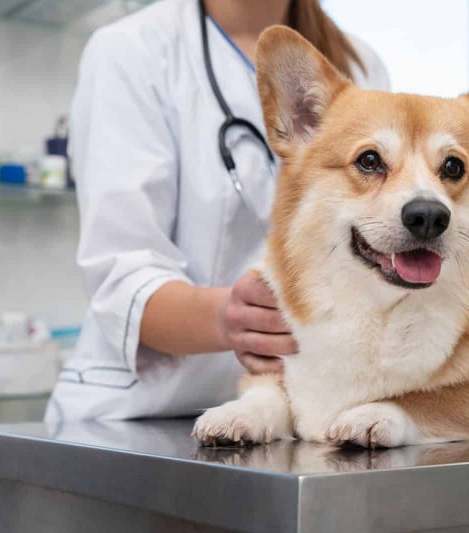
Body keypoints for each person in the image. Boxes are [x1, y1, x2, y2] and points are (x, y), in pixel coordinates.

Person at [45, 0, 390, 421]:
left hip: (296, 414)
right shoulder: (132, 51)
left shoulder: (359, 65)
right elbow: (124, 278)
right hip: (142, 415)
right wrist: (231, 318)